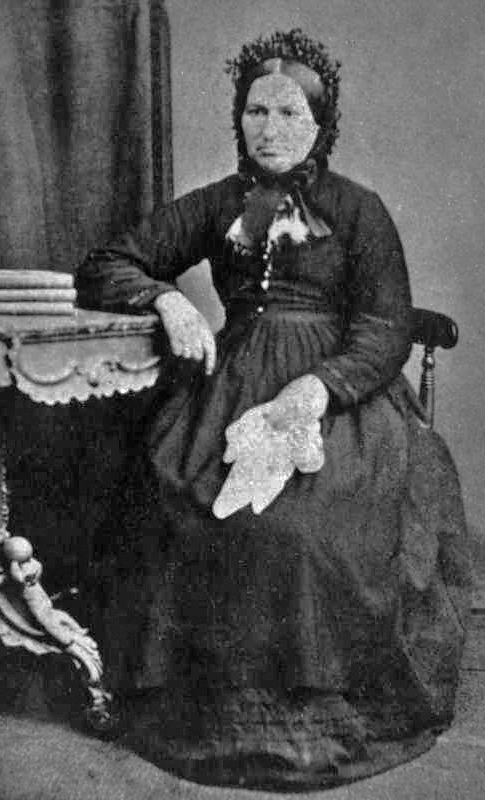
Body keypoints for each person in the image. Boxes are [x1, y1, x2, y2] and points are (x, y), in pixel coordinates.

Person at [75, 29, 471, 791]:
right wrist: (165, 300)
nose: (271, 128)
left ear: (321, 123)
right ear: (239, 119)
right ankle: (212, 714)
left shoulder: (357, 210)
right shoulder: (219, 204)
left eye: (290, 113)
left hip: (340, 395)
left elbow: (384, 327)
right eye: (256, 111)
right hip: (231, 380)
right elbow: (107, 263)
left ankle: (313, 717)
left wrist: (319, 388)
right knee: (185, 503)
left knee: (303, 526)